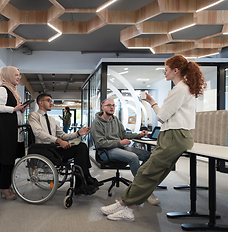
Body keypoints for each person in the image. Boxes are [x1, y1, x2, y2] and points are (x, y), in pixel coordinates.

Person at [100, 54, 206, 221]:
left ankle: (125, 206)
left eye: (166, 70)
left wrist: (155, 105)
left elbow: (162, 117)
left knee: (146, 173)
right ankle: (125, 205)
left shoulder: (180, 89)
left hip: (174, 136)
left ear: (175, 70)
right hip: (175, 135)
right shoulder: (184, 88)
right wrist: (153, 103)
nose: (165, 73)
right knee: (151, 174)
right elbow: (165, 116)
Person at [91, 98, 160, 205]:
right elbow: (101, 143)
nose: (112, 107)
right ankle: (143, 190)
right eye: (109, 105)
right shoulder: (97, 122)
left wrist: (139, 134)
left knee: (148, 156)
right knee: (132, 157)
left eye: (113, 105)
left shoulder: (115, 120)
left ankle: (140, 181)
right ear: (102, 107)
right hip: (105, 151)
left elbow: (124, 134)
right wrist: (120, 142)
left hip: (119, 148)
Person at [28, 93, 100, 195]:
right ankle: (84, 181)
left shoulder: (52, 120)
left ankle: (84, 179)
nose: (51, 103)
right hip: (43, 150)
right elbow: (38, 133)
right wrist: (58, 141)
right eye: (49, 100)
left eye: (51, 101)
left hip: (54, 149)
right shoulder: (34, 116)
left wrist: (78, 133)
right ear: (40, 103)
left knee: (82, 146)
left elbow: (63, 135)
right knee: (79, 148)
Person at [0, 66, 28, 200]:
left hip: (13, 131)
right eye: (16, 75)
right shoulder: (2, 89)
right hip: (6, 132)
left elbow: (12, 109)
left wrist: (20, 110)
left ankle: (6, 185)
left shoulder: (14, 91)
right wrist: (14, 108)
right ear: (8, 75)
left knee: (11, 160)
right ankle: (3, 187)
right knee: (6, 160)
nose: (18, 77)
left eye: (19, 75)